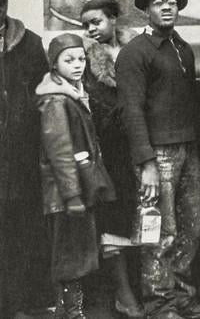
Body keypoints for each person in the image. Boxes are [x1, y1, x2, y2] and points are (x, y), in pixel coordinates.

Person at [116, 0, 200, 319]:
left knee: (191, 229)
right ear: (146, 10)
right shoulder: (135, 53)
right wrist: (147, 162)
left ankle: (182, 296)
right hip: (158, 155)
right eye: (158, 2)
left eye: (172, 2)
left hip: (188, 150)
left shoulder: (181, 48)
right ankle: (159, 303)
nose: (167, 7)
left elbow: (192, 103)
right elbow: (131, 110)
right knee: (160, 231)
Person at [37, 33, 116, 319]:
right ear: (54, 65)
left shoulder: (73, 94)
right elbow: (59, 153)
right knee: (71, 256)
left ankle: (69, 311)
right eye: (68, 60)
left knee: (77, 254)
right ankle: (71, 312)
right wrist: (71, 194)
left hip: (77, 191)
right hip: (65, 194)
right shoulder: (56, 101)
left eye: (81, 58)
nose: (78, 65)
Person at [79, 0, 143, 318]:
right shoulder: (88, 63)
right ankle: (123, 293)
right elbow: (97, 109)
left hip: (143, 147)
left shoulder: (137, 51)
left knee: (145, 218)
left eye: (97, 21)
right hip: (112, 151)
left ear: (114, 19)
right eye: (86, 24)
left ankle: (145, 289)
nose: (91, 29)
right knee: (115, 219)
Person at [0, 0, 52, 319]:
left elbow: (43, 94)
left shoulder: (29, 44)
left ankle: (18, 304)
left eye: (1, 3)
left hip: (19, 159)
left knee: (20, 231)